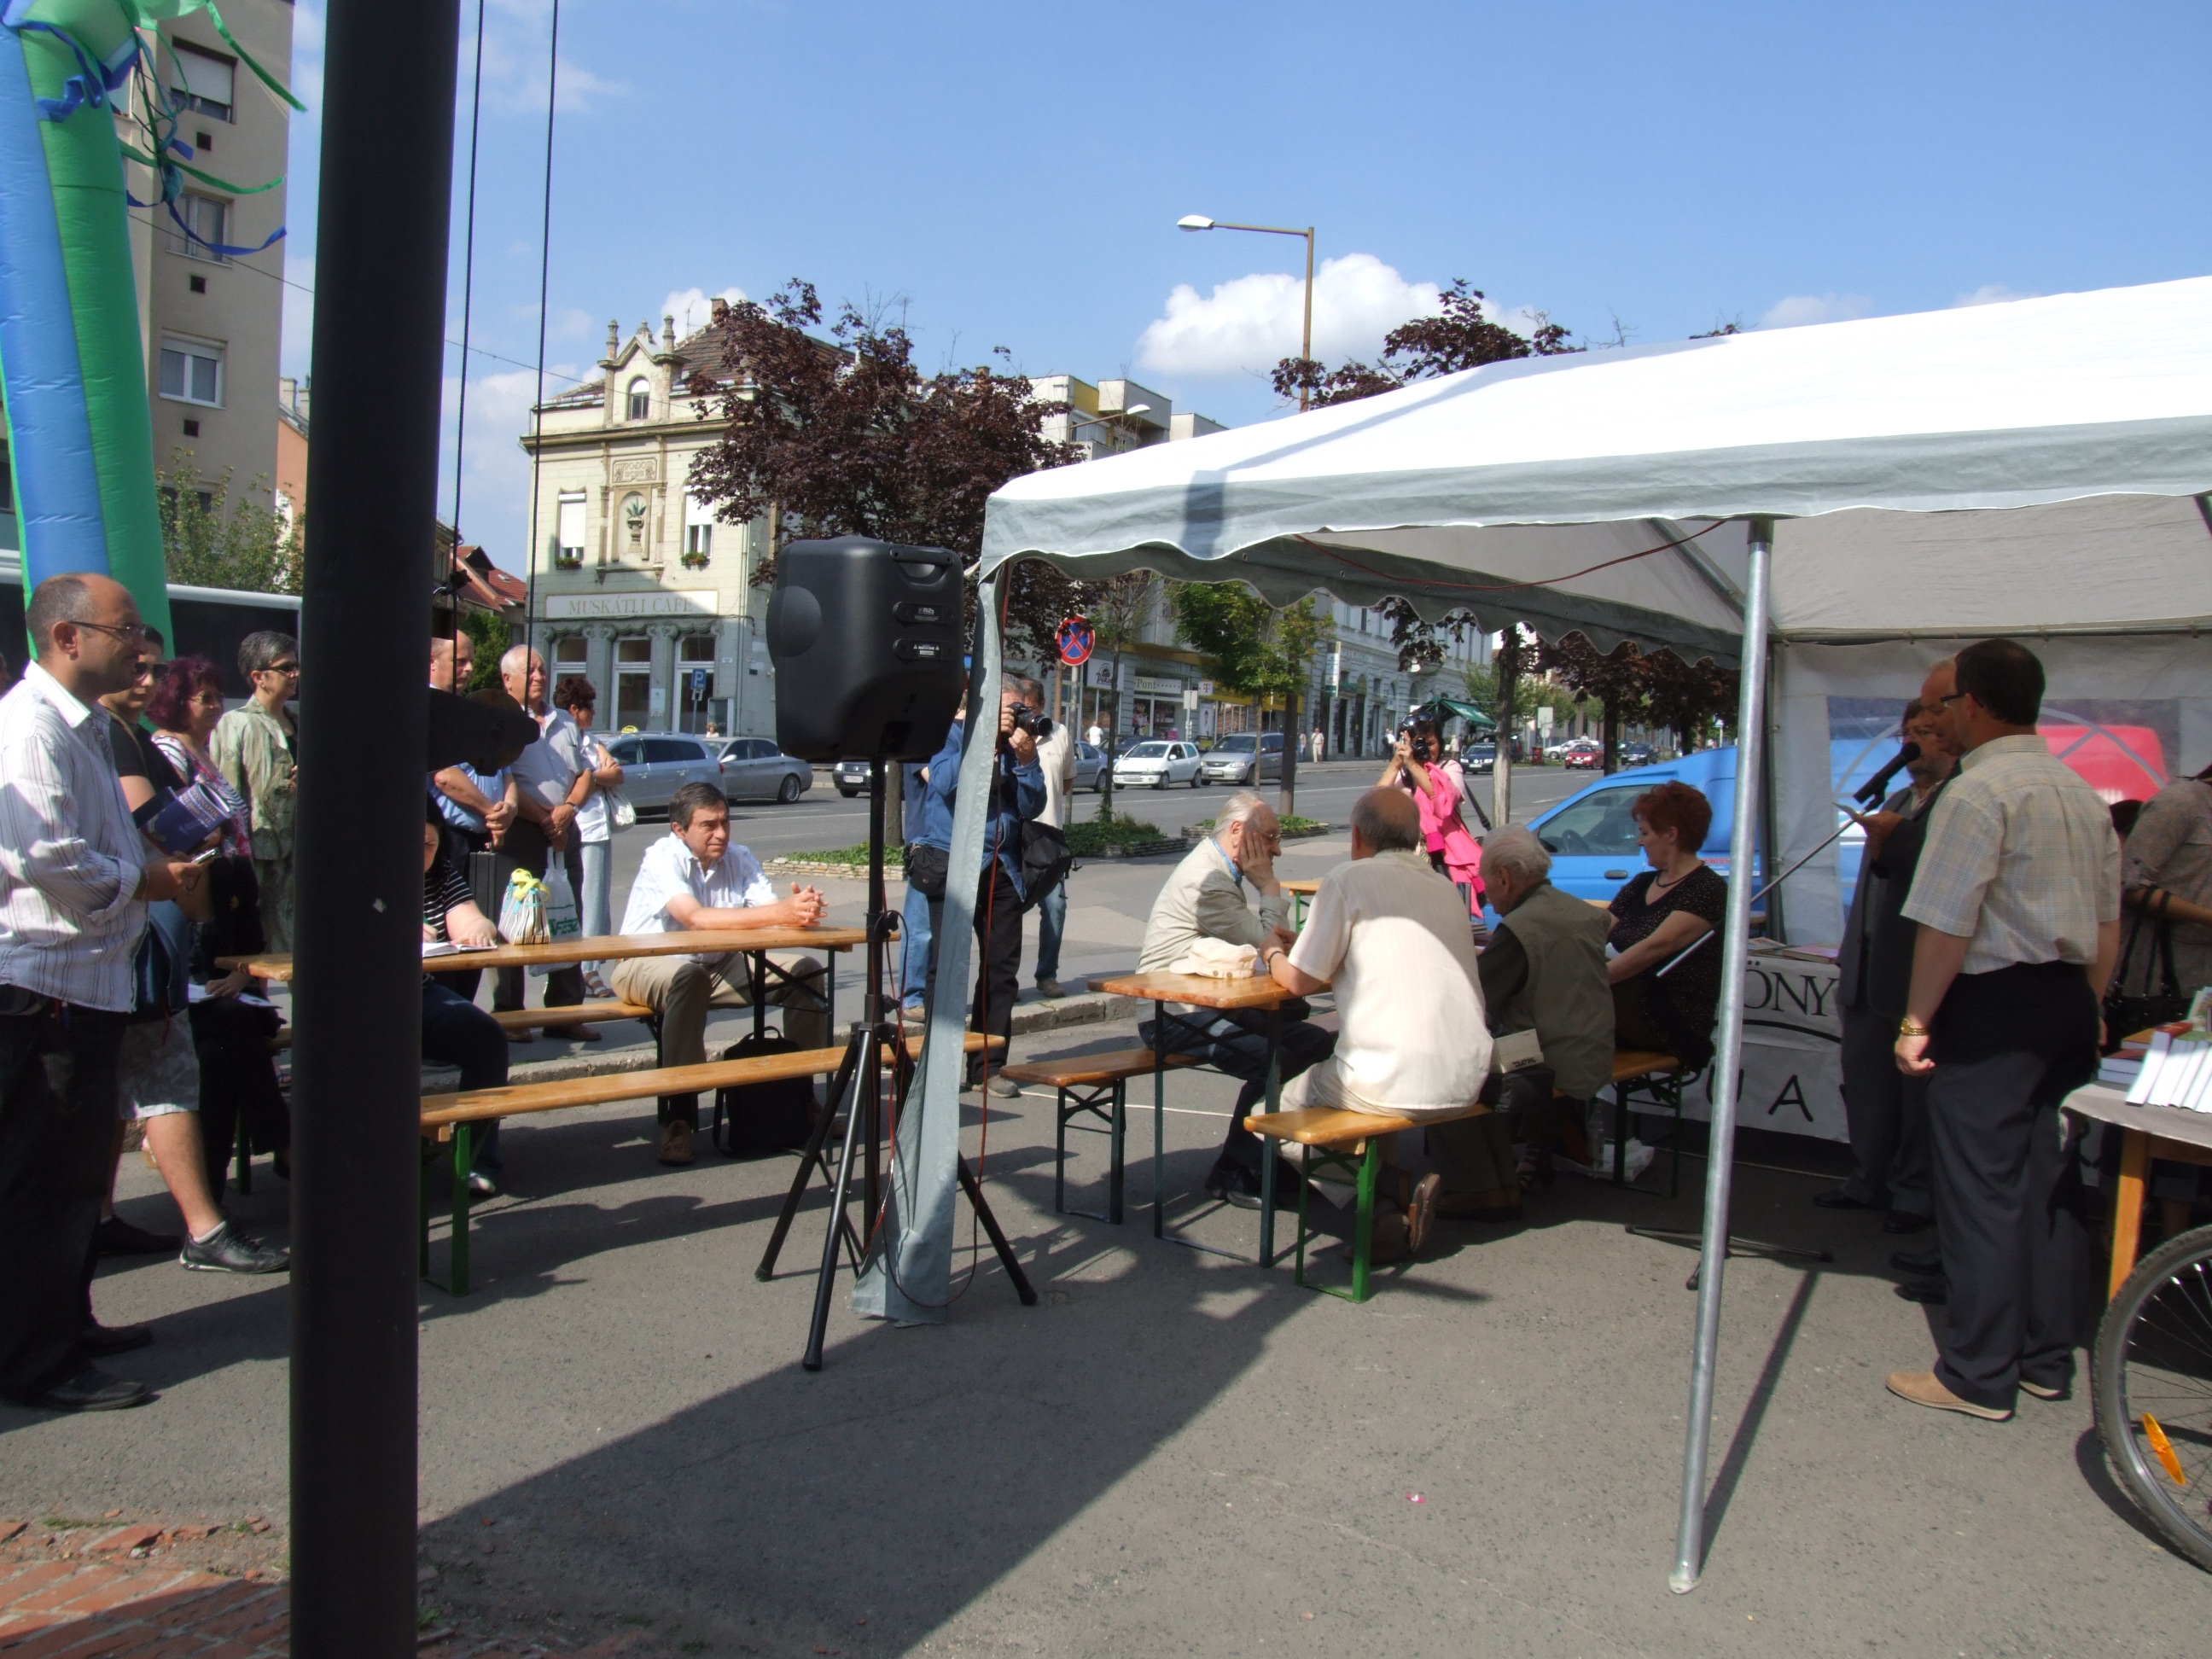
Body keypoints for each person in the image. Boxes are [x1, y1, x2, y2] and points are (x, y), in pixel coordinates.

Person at [1885, 638, 2118, 1422]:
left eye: (1948, 704)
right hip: (2068, 997)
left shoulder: (1977, 794)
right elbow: (2107, 923)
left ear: (1975, 705)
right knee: (2050, 1184)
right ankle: (2047, 1358)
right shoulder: (2080, 793)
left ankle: (1978, 1371)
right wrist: (2090, 1004)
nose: (1942, 717)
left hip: (1995, 1002)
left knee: (1981, 1188)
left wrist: (1916, 1021)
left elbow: (1946, 924)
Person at [0, 573, 204, 1412]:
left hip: (88, 987)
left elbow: (102, 837)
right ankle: (33, 1360)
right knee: (38, 1181)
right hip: (44, 990)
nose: (142, 649)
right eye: (127, 632)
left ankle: (64, 1324)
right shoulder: (29, 725)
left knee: (77, 1177)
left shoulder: (87, 727)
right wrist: (146, 881)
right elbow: (47, 858)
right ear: (67, 637)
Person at [99, 633, 288, 1275]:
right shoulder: (120, 738)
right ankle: (209, 1220)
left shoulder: (120, 735)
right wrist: (199, 838)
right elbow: (156, 825)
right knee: (176, 1067)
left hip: (161, 926)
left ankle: (117, 1219)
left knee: (166, 1067)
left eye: (153, 667)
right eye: (136, 665)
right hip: (134, 934)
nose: (147, 678)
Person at [1262, 789, 1491, 1260]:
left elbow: (1301, 981)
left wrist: (1271, 955)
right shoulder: (1443, 886)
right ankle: (1383, 1218)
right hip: (1470, 1073)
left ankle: (1387, 1188)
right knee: (1368, 1093)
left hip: (1387, 1074)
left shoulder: (1347, 879)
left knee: (1276, 1113)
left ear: (1357, 835)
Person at [613, 782, 831, 1166]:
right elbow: (695, 918)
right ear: (679, 829)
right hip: (644, 962)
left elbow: (769, 916)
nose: (721, 833)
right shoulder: (662, 856)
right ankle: (680, 1116)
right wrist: (778, 913)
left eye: (725, 822)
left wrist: (800, 911)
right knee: (689, 978)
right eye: (709, 825)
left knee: (806, 972)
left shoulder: (739, 857)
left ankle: (802, 1096)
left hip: (719, 964)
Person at [1137, 790, 1336, 1206]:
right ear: (1238, 833)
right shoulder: (1207, 880)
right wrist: (1270, 887)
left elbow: (1264, 946)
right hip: (1172, 1013)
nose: (1277, 850)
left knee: (1315, 1043)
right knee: (1272, 1060)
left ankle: (1273, 1159)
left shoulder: (1220, 871)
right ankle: (1231, 1170)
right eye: (1272, 838)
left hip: (1215, 1002)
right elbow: (1267, 946)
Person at [147, 655, 289, 1196]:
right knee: (229, 1036)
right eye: (204, 697)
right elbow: (170, 830)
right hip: (195, 903)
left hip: (229, 895)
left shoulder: (201, 750)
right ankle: (282, 1145)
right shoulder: (167, 750)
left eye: (214, 696)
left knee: (236, 1036)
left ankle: (235, 1176)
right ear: (176, 701)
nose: (214, 707)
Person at [1820, 695, 1957, 1232]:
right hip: (1868, 961)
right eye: (1909, 731)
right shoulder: (1897, 797)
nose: (1915, 741)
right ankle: (1868, 1178)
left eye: (1928, 731)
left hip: (1913, 968)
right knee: (1865, 1080)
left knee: (1915, 1093)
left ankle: (1914, 1193)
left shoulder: (1955, 804)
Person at [914, 681, 1046, 1093]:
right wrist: (986, 738)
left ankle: (988, 1066)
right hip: (952, 864)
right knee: (947, 967)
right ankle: (938, 1067)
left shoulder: (1016, 745)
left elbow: (1033, 806)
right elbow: (943, 782)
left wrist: (1027, 761)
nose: (1017, 718)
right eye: (1010, 710)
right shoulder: (951, 734)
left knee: (1000, 969)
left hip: (1002, 867)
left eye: (1020, 710)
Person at [1476, 824, 1615, 1208]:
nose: (1485, 893)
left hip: (1549, 1061)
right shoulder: (1582, 911)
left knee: (1453, 1065)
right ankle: (1535, 1147)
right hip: (1594, 1049)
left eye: (1486, 882)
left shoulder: (1521, 927)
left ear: (1504, 878)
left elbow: (1479, 996)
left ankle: (1482, 1179)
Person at [2115, 770, 2212, 1241]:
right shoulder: (2182, 804)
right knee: (2149, 1114)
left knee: (2193, 1116)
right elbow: (2129, 883)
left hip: (2202, 991)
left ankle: (2180, 1241)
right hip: (2159, 986)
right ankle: (2131, 1235)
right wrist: (2207, 918)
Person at [497, 643, 595, 1040]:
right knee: (518, 920)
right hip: (523, 832)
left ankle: (565, 1013)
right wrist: (543, 818)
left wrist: (568, 809)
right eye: (530, 670)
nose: (539, 676)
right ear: (508, 679)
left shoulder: (564, 722)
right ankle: (511, 1014)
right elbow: (504, 780)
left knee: (567, 917)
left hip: (564, 831)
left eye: (542, 669)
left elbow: (585, 773)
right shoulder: (503, 721)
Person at [1602, 782, 1726, 1073]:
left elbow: (1657, 947)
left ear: (1671, 834)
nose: (1639, 842)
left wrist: (1587, 981)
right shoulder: (1641, 884)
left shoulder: (1707, 888)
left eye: (1645, 833)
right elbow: (1595, 932)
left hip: (1670, 1018)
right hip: (1626, 1004)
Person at [422, 805, 509, 1195]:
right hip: (366, 1003)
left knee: (486, 1036)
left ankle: (477, 1157)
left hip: (419, 993)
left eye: (429, 844)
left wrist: (478, 928)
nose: (421, 854)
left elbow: (471, 919)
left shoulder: (441, 875)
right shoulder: (367, 874)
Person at [210, 631, 299, 953]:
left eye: (297, 666)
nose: (295, 674)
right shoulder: (236, 723)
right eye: (286, 667)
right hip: (261, 856)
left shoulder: (301, 722)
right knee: (260, 945)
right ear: (259, 676)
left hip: (301, 856)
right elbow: (227, 793)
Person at [553, 675, 625, 998]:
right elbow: (570, 781)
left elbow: (617, 774)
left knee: (596, 901)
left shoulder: (592, 741)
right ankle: (574, 968)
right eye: (588, 707)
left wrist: (592, 778)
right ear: (573, 709)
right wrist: (596, 777)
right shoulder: (557, 740)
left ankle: (589, 968)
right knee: (575, 901)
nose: (593, 712)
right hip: (574, 827)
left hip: (597, 828)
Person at [1380, 717, 1483, 909]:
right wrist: (1396, 764)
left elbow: (1441, 797)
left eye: (1431, 743)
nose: (1425, 749)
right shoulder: (1402, 773)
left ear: (1440, 744)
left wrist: (1413, 765)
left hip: (1443, 857)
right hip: (1405, 856)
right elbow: (1375, 802)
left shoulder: (1449, 768)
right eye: (1418, 743)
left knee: (1444, 909)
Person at [429, 632, 516, 855]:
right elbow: (445, 777)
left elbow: (505, 769)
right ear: (432, 661)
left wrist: (510, 808)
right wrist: (493, 813)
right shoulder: (428, 709)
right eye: (460, 661)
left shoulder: (471, 710)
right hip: (450, 838)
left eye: (471, 662)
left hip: (485, 837)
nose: (469, 669)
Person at [1022, 675, 1079, 1000]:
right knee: (1008, 913)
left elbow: (1067, 782)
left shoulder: (1059, 733)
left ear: (1042, 705)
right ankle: (1003, 980)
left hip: (1050, 838)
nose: (1026, 715)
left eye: (1030, 708)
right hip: (1017, 838)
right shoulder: (1009, 734)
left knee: (1056, 907)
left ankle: (1047, 975)